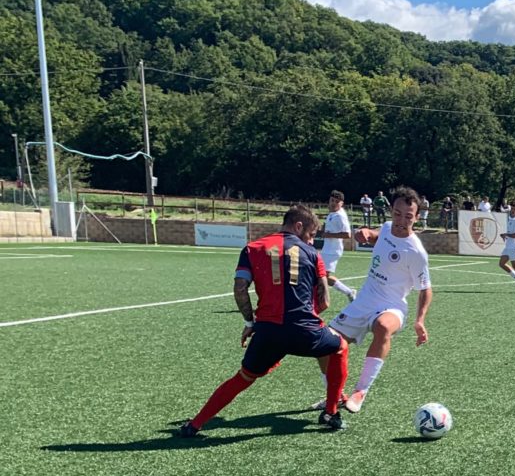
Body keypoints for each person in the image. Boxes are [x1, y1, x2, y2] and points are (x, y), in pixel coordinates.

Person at [178, 205, 350, 437]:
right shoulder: (312, 253)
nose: (311, 240)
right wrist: (308, 319)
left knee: (243, 377)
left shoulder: (252, 248)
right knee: (340, 347)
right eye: (310, 234)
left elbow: (240, 289)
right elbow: (325, 302)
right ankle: (330, 412)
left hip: (268, 333)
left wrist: (250, 323)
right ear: (298, 226)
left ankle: (195, 425)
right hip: (305, 331)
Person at [311, 187, 432, 415]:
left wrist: (420, 320)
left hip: (392, 306)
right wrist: (366, 232)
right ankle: (336, 395)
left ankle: (361, 391)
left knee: (383, 326)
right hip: (363, 302)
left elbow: (426, 289)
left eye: (408, 216)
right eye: (397, 214)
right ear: (391, 211)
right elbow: (378, 234)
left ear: (417, 218)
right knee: (323, 346)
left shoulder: (416, 252)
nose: (401, 221)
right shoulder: (386, 227)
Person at [321, 190, 357, 303]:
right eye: (332, 200)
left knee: (323, 276)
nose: (333, 203)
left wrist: (329, 235)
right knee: (320, 275)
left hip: (333, 250)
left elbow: (347, 234)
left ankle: (349, 292)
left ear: (341, 203)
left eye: (337, 202)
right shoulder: (332, 213)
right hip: (327, 249)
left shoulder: (340, 216)